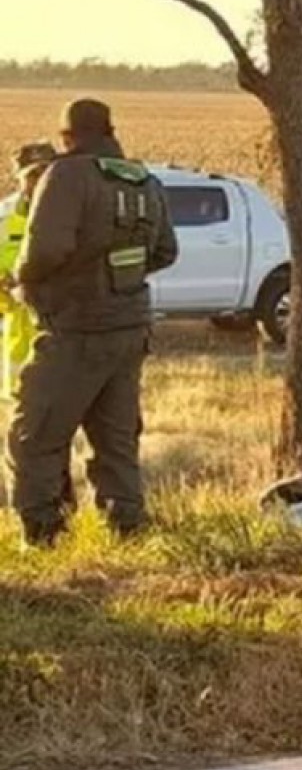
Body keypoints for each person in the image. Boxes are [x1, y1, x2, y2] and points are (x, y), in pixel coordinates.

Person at [7, 99, 178, 546]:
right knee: (115, 437)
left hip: (75, 328)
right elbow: (165, 252)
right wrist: (115, 275)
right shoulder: (144, 179)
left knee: (34, 434)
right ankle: (127, 528)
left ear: (66, 137)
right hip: (128, 328)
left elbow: (44, 251)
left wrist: (24, 281)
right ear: (110, 130)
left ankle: (44, 536)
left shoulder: (66, 176)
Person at [1, 140, 57, 400]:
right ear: (19, 177)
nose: (39, 181)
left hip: (60, 323)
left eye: (46, 172)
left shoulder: (71, 212)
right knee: (19, 399)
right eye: (32, 174)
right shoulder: (3, 217)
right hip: (18, 324)